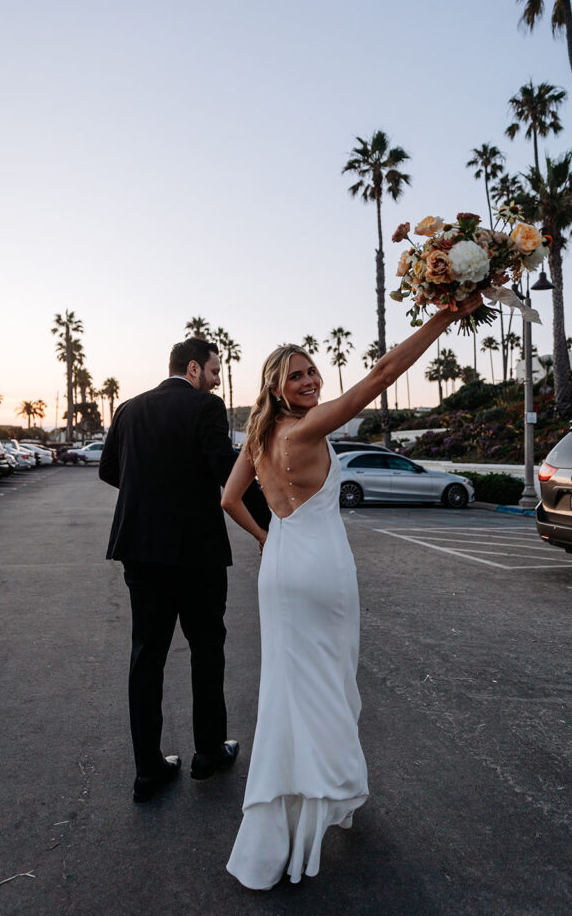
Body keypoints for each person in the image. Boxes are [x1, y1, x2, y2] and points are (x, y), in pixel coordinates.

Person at [221, 294, 482, 889]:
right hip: (321, 569)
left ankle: (294, 810)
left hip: (282, 568)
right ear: (278, 387)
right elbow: (385, 374)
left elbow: (228, 499)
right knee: (329, 685)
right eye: (297, 375)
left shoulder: (260, 437)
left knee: (291, 690)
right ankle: (325, 789)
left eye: (312, 370)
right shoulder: (308, 427)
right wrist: (445, 315)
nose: (310, 379)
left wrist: (269, 537)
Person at [99, 337, 269, 803]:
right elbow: (224, 468)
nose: (217, 380)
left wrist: (150, 489)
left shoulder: (129, 408)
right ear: (194, 368)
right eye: (215, 371)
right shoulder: (205, 407)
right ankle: (208, 753)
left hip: (140, 551)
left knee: (146, 657)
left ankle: (148, 771)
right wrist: (273, 520)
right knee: (207, 649)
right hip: (197, 554)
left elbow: (109, 470)